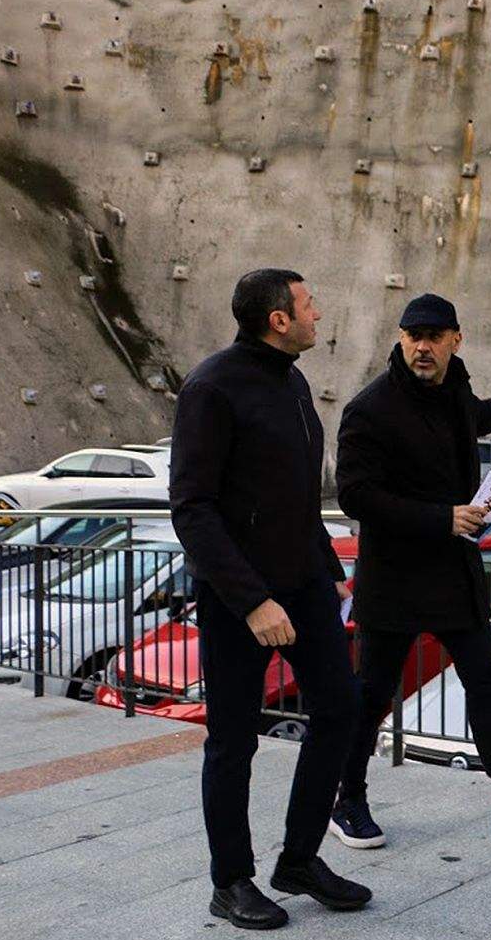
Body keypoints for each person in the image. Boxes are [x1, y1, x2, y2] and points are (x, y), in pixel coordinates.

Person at [332, 293, 491, 848]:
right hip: (394, 579)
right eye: (413, 336)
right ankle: (347, 800)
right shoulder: (370, 408)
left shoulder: (454, 394)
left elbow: (486, 414)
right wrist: (440, 517)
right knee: (373, 695)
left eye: (433, 337)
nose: (422, 347)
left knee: (486, 684)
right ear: (401, 340)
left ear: (455, 341)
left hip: (453, 575)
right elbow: (354, 494)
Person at [170, 269, 371, 931]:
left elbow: (294, 494)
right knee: (233, 740)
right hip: (238, 597)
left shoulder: (293, 381)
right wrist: (253, 601)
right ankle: (230, 881)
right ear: (278, 319)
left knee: (340, 708)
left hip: (304, 583)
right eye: (308, 304)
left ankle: (299, 860)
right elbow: (192, 507)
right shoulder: (211, 387)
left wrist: (325, 567)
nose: (318, 313)